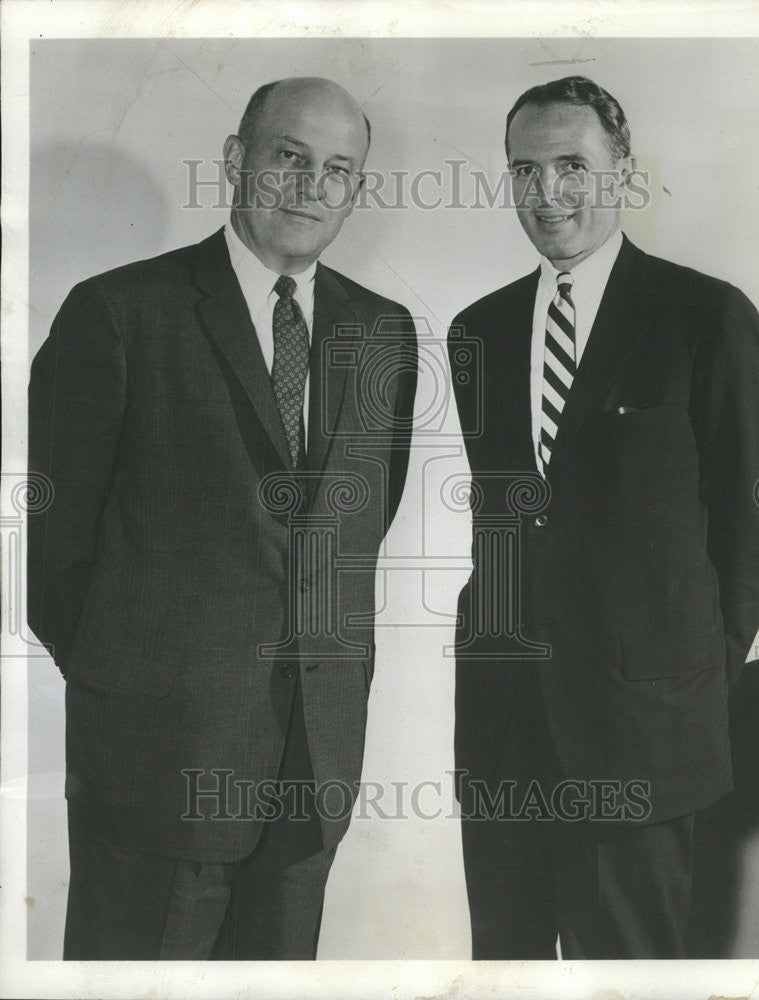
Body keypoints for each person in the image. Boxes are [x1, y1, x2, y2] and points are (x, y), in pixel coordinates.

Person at [28, 76, 417, 960]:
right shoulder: (120, 313)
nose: (311, 186)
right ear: (237, 161)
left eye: (337, 169)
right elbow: (52, 548)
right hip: (152, 765)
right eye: (289, 157)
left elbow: (354, 531)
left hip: (311, 764)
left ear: (355, 190)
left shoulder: (384, 332)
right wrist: (131, 681)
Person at [449, 75, 759, 960]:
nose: (545, 192)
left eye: (571, 165)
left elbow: (752, 532)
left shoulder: (703, 315)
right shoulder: (474, 331)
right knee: (504, 968)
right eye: (523, 169)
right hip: (504, 735)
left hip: (643, 739)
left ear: (622, 173)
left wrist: (682, 684)